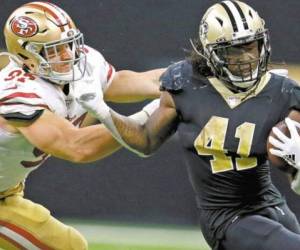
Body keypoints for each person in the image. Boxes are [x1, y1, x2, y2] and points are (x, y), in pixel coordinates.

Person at [77, 1, 300, 249]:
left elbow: (293, 173)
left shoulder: (284, 92)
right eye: (233, 51)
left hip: (271, 204)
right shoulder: (185, 83)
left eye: (250, 46)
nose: (246, 58)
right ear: (210, 52)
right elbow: (145, 141)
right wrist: (103, 112)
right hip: (226, 216)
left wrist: (298, 171)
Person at [0, 2, 163, 250]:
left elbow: (123, 82)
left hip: (6, 192)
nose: (67, 55)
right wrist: (151, 115)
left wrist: (187, 78)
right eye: (53, 51)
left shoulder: (79, 62)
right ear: (26, 57)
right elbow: (77, 147)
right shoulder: (18, 93)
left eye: (68, 43)